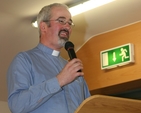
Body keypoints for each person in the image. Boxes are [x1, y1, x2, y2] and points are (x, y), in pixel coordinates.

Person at [7, 3, 90, 113]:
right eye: (61, 21)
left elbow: (89, 106)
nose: (67, 26)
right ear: (43, 27)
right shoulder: (24, 60)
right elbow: (17, 105)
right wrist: (59, 80)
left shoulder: (72, 68)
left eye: (70, 23)